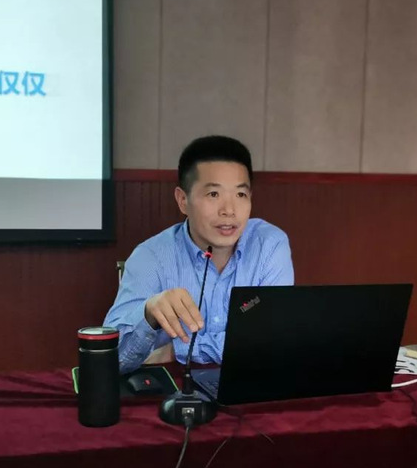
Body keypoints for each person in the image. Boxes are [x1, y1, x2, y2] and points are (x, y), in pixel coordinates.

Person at [105, 135, 294, 373]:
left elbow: (273, 340)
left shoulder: (269, 245)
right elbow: (110, 359)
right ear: (183, 200)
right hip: (174, 390)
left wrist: (178, 350)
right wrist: (148, 313)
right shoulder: (151, 256)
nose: (229, 210)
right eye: (213, 194)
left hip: (249, 385)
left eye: (240, 195)